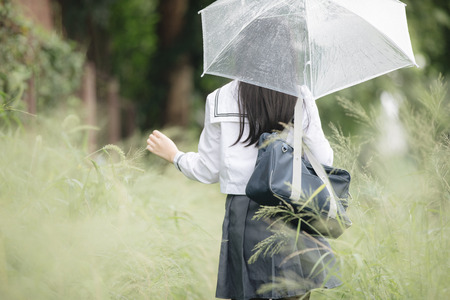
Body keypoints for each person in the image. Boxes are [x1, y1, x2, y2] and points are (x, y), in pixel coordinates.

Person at [146, 80, 342, 300]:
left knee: (248, 293)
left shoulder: (220, 98)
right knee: (294, 292)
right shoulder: (300, 95)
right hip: (291, 207)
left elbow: (208, 169)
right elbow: (324, 159)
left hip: (244, 214)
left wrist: (176, 156)